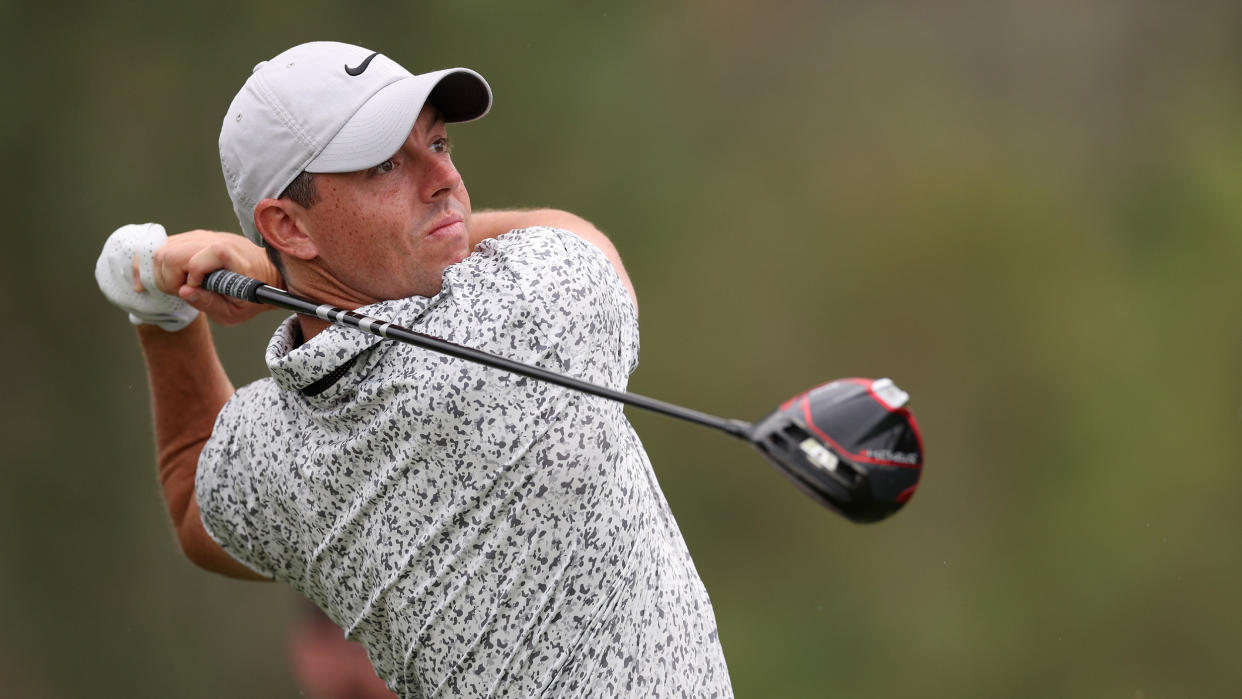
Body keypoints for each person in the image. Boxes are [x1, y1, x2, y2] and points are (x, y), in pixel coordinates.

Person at [95, 41, 733, 697]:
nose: (443, 179)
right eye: (385, 165)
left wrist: (160, 313)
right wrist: (267, 273)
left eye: (438, 144)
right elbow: (572, 235)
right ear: (286, 225)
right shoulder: (534, 315)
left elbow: (190, 492)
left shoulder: (275, 450)